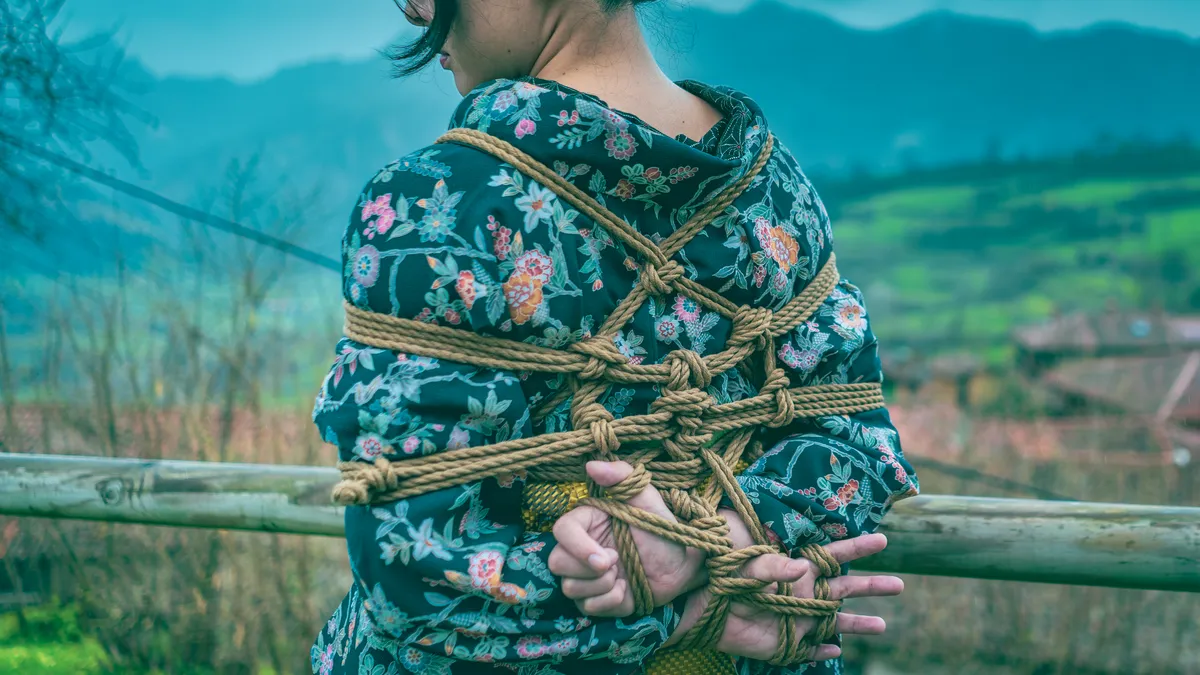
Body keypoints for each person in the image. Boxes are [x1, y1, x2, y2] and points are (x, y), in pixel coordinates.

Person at [310, 1, 919, 673]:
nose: (418, 11)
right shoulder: (778, 194)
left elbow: (414, 572)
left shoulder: (433, 207)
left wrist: (681, 570)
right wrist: (728, 555)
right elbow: (857, 443)